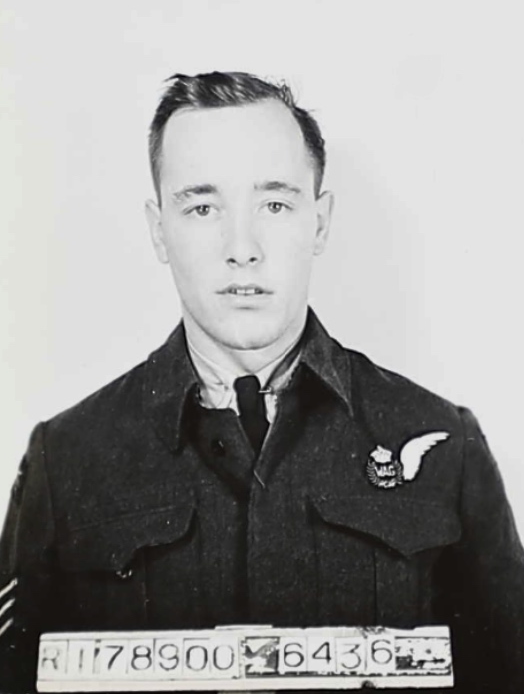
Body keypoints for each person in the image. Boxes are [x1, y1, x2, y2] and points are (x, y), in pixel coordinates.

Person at [0, 71, 523, 693]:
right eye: (202, 207)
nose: (242, 247)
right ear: (159, 229)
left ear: (319, 222)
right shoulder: (64, 459)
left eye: (275, 204)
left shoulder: (443, 443)